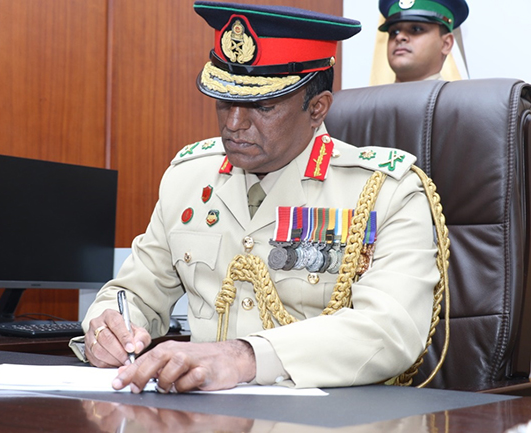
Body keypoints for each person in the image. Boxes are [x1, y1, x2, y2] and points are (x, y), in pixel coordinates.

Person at [81, 1, 439, 393]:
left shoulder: (386, 192)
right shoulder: (187, 178)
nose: (234, 125)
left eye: (262, 106)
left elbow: (392, 330)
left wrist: (245, 356)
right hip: (198, 414)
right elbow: (132, 293)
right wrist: (108, 326)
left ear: (317, 108)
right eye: (224, 101)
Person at [378, 0, 469, 82]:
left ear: (446, 44)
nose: (399, 37)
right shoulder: (371, 99)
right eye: (394, 32)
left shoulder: (457, 100)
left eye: (416, 29)